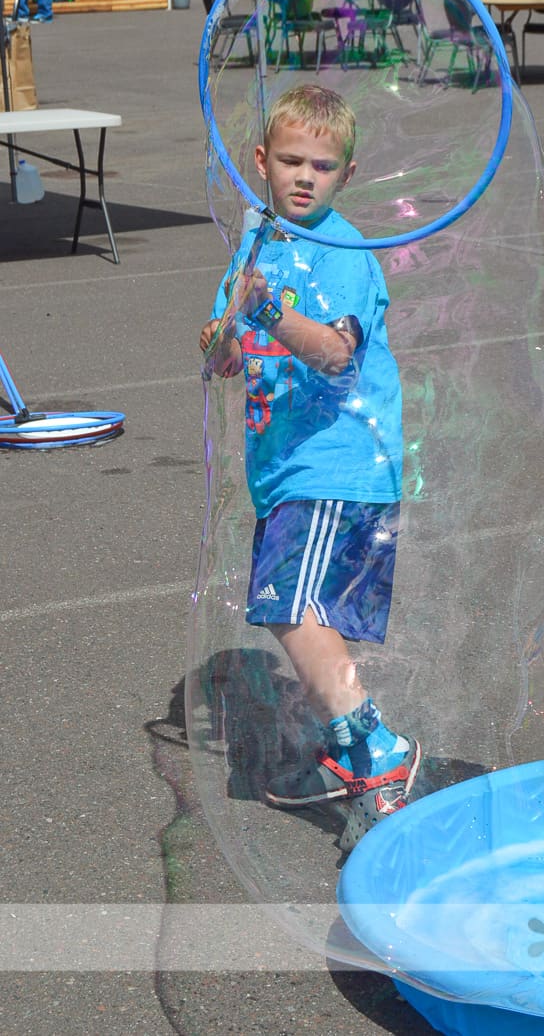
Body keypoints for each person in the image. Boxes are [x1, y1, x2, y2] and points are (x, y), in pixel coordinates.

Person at [199, 84, 420, 852]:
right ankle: (354, 754)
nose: (304, 176)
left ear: (345, 176)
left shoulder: (346, 252)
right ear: (262, 162)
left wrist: (265, 315)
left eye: (322, 166)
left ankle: (374, 743)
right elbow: (230, 357)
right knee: (302, 611)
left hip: (338, 462)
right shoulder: (256, 249)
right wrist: (224, 335)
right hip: (290, 466)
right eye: (290, 160)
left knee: (287, 603)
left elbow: (334, 353)